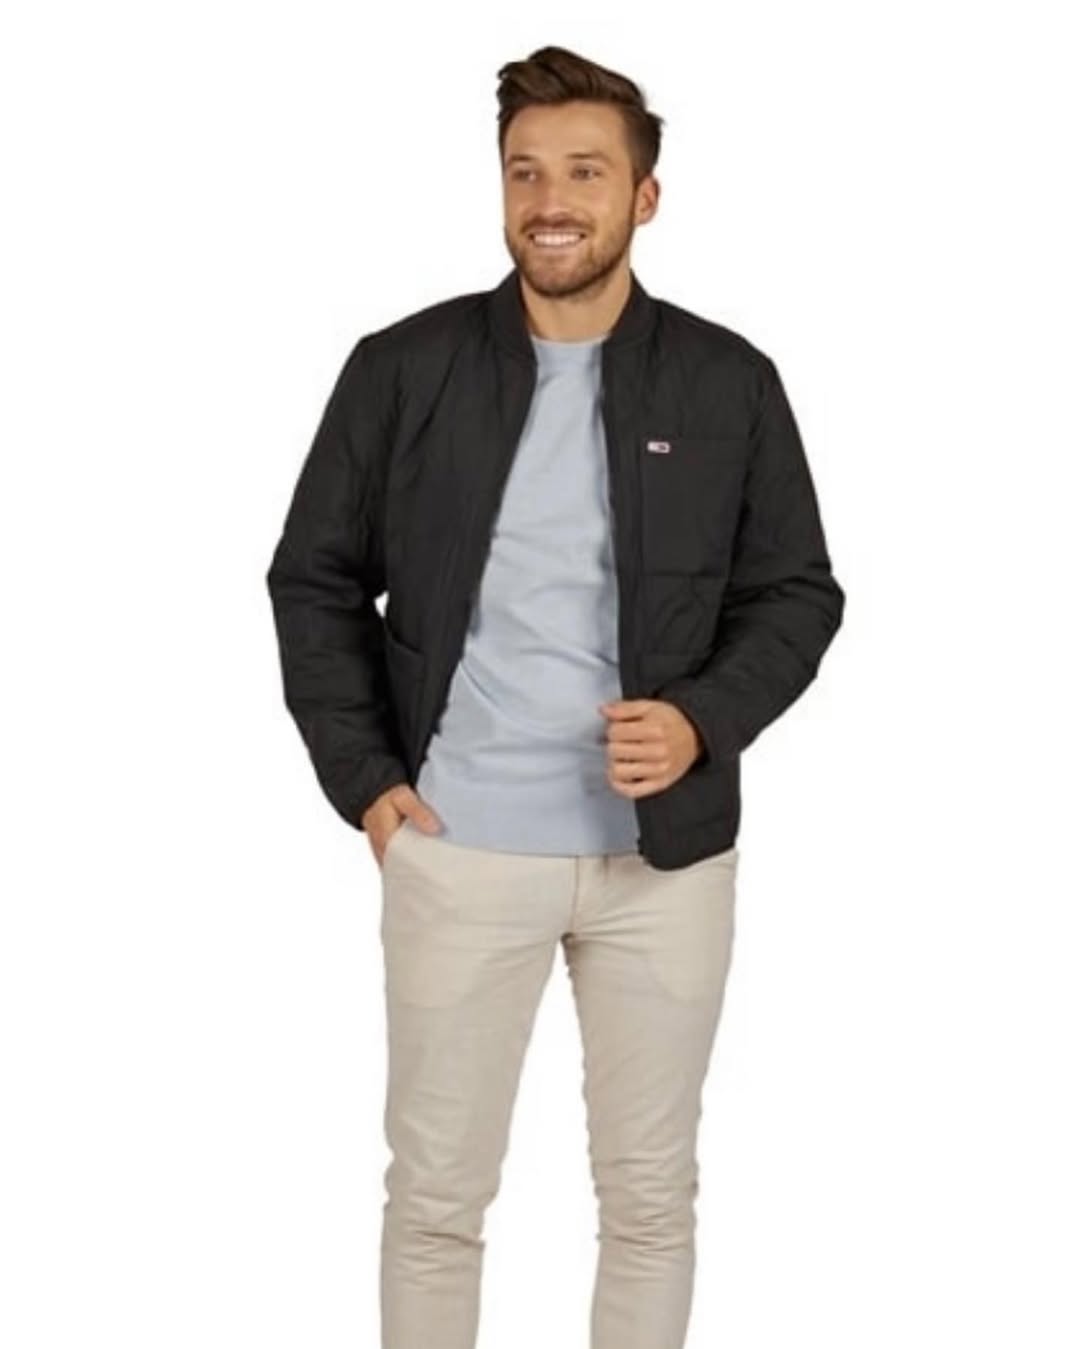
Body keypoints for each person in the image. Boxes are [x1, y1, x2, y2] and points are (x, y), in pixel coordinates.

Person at [266, 43, 844, 1349]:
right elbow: (313, 579)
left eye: (585, 172)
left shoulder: (729, 383)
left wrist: (701, 719)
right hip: (458, 846)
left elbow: (796, 592)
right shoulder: (403, 368)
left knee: (649, 1200)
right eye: (525, 173)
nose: (551, 201)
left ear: (645, 196)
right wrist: (368, 784)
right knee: (436, 1202)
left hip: (666, 863)